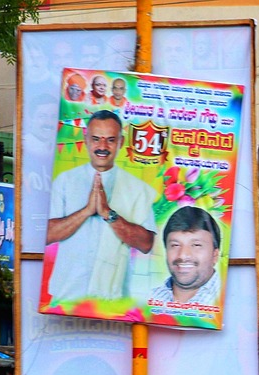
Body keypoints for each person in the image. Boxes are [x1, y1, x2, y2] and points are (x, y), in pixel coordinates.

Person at [45, 110, 157, 302]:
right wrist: (86, 211)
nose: (102, 147)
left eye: (110, 140)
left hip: (113, 300)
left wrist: (108, 213)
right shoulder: (65, 180)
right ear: (85, 139)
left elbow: (146, 244)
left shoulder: (137, 188)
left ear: (121, 142)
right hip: (67, 295)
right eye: (96, 139)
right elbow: (47, 235)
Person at [148, 207, 223, 305]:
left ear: (215, 255)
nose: (183, 255)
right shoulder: (149, 298)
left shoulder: (227, 299)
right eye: (175, 245)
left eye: (196, 245)